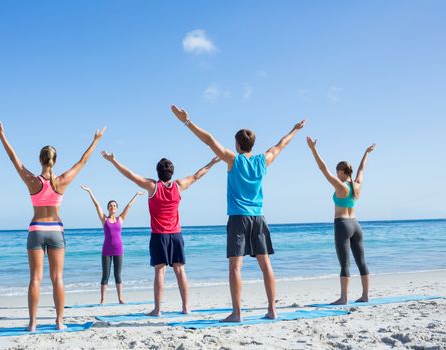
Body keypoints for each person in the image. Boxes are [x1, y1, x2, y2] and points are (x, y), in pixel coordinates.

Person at [170, 105, 305, 322]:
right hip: (259, 218)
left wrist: (187, 122)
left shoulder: (233, 160)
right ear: (252, 144)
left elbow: (209, 140)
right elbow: (281, 145)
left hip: (238, 218)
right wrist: (295, 129)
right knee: (265, 264)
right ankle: (272, 310)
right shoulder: (264, 160)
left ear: (237, 144)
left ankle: (237, 313)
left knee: (235, 266)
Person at [0, 120, 105, 331]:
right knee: (57, 278)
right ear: (55, 160)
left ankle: (33, 323)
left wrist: (1, 135)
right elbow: (83, 161)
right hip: (55, 231)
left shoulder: (32, 181)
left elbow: (13, 158)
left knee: (35, 278)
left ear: (40, 160)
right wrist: (96, 140)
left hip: (36, 229)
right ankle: (59, 322)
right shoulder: (61, 181)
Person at [101, 150, 220, 316]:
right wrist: (212, 163)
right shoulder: (179, 186)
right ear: (172, 172)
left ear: (158, 172)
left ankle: (157, 310)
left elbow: (130, 175)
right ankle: (186, 307)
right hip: (176, 235)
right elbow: (197, 175)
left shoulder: (152, 186)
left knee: (160, 271)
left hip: (159, 235)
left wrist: (114, 161)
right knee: (180, 270)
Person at [307, 137, 375, 305]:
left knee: (344, 264)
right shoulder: (356, 186)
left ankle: (344, 298)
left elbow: (323, 169)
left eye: (338, 171)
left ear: (343, 172)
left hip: (342, 225)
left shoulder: (341, 187)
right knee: (362, 262)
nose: (336, 173)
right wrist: (366, 153)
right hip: (356, 225)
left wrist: (313, 149)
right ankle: (365, 295)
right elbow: (362, 169)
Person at [80, 185, 143, 304]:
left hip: (118, 250)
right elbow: (97, 205)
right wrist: (90, 191)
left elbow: (128, 206)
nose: (112, 207)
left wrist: (137, 195)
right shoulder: (104, 219)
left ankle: (120, 299)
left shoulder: (121, 219)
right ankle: (102, 300)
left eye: (114, 206)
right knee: (105, 275)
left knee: (118, 275)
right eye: (110, 206)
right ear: (108, 209)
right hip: (106, 251)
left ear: (117, 208)